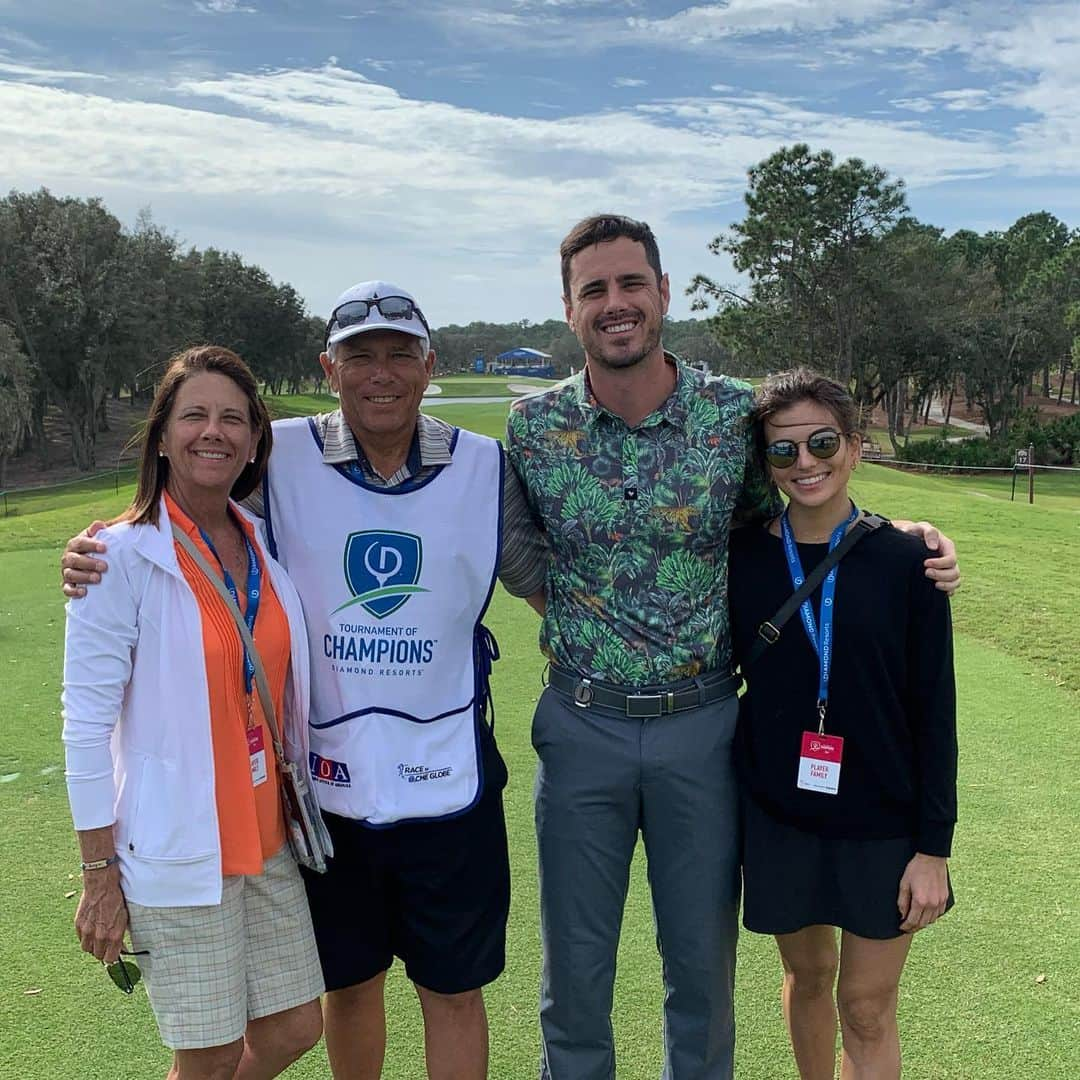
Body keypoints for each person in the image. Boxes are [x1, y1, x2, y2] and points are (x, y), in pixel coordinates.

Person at [505, 214, 960, 1080]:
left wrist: (899, 536)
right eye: (594, 289)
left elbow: (806, 501)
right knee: (574, 976)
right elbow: (514, 548)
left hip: (704, 728)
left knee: (701, 978)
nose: (616, 303)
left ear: (663, 291)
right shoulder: (531, 430)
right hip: (582, 722)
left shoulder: (729, 416)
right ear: (568, 309)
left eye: (631, 282)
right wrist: (566, 610)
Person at [62, 282, 547, 1080]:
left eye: (400, 355)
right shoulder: (278, 457)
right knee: (349, 992)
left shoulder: (485, 467)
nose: (380, 374)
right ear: (330, 367)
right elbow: (189, 502)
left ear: (431, 366)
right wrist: (102, 546)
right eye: (360, 357)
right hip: (327, 796)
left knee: (454, 993)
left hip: (449, 786)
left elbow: (539, 581)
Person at [62, 345, 324, 1080]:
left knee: (298, 1024)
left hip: (268, 839)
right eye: (196, 415)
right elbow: (84, 725)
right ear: (162, 435)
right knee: (204, 1056)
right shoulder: (116, 558)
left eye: (233, 418)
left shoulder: (262, 546)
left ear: (252, 443)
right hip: (180, 846)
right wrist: (98, 872)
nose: (215, 432)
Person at [729, 369, 956, 1080]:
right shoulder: (740, 558)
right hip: (780, 813)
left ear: (856, 447)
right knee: (809, 977)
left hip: (884, 820)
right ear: (764, 462)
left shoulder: (908, 560)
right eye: (783, 450)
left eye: (823, 442)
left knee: (865, 1003)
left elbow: (936, 709)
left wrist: (934, 849)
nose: (806, 464)